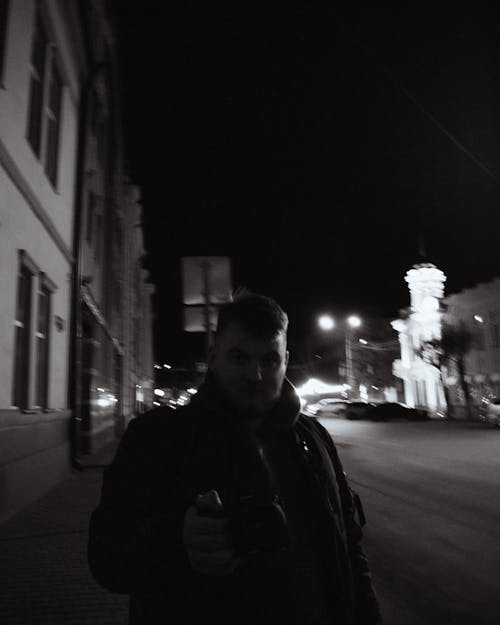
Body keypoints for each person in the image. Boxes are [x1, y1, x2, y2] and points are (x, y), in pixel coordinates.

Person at [88, 292, 383, 625]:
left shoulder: (314, 439)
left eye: (268, 360)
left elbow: (351, 548)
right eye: (240, 358)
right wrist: (175, 539)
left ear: (285, 360)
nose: (255, 375)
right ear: (213, 357)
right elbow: (106, 556)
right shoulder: (158, 438)